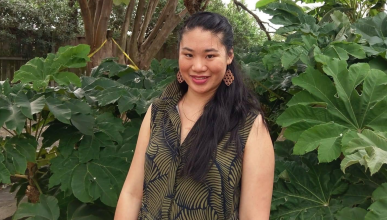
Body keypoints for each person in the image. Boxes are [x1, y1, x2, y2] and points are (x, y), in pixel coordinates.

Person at [115, 12, 274, 220]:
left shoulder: (249, 126)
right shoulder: (158, 112)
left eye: (210, 55)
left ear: (229, 56)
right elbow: (132, 194)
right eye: (188, 55)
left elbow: (254, 216)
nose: (198, 67)